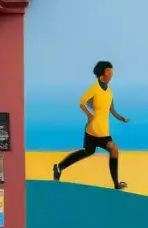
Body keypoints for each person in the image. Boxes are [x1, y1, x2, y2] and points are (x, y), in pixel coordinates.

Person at [52, 61, 129, 190]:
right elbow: (82, 102)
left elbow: (112, 109)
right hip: (95, 130)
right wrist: (89, 115)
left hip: (100, 131)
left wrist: (121, 118)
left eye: (112, 71)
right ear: (102, 74)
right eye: (108, 71)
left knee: (88, 152)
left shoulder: (109, 91)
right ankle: (116, 184)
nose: (111, 74)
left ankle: (59, 167)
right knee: (113, 150)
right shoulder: (94, 88)